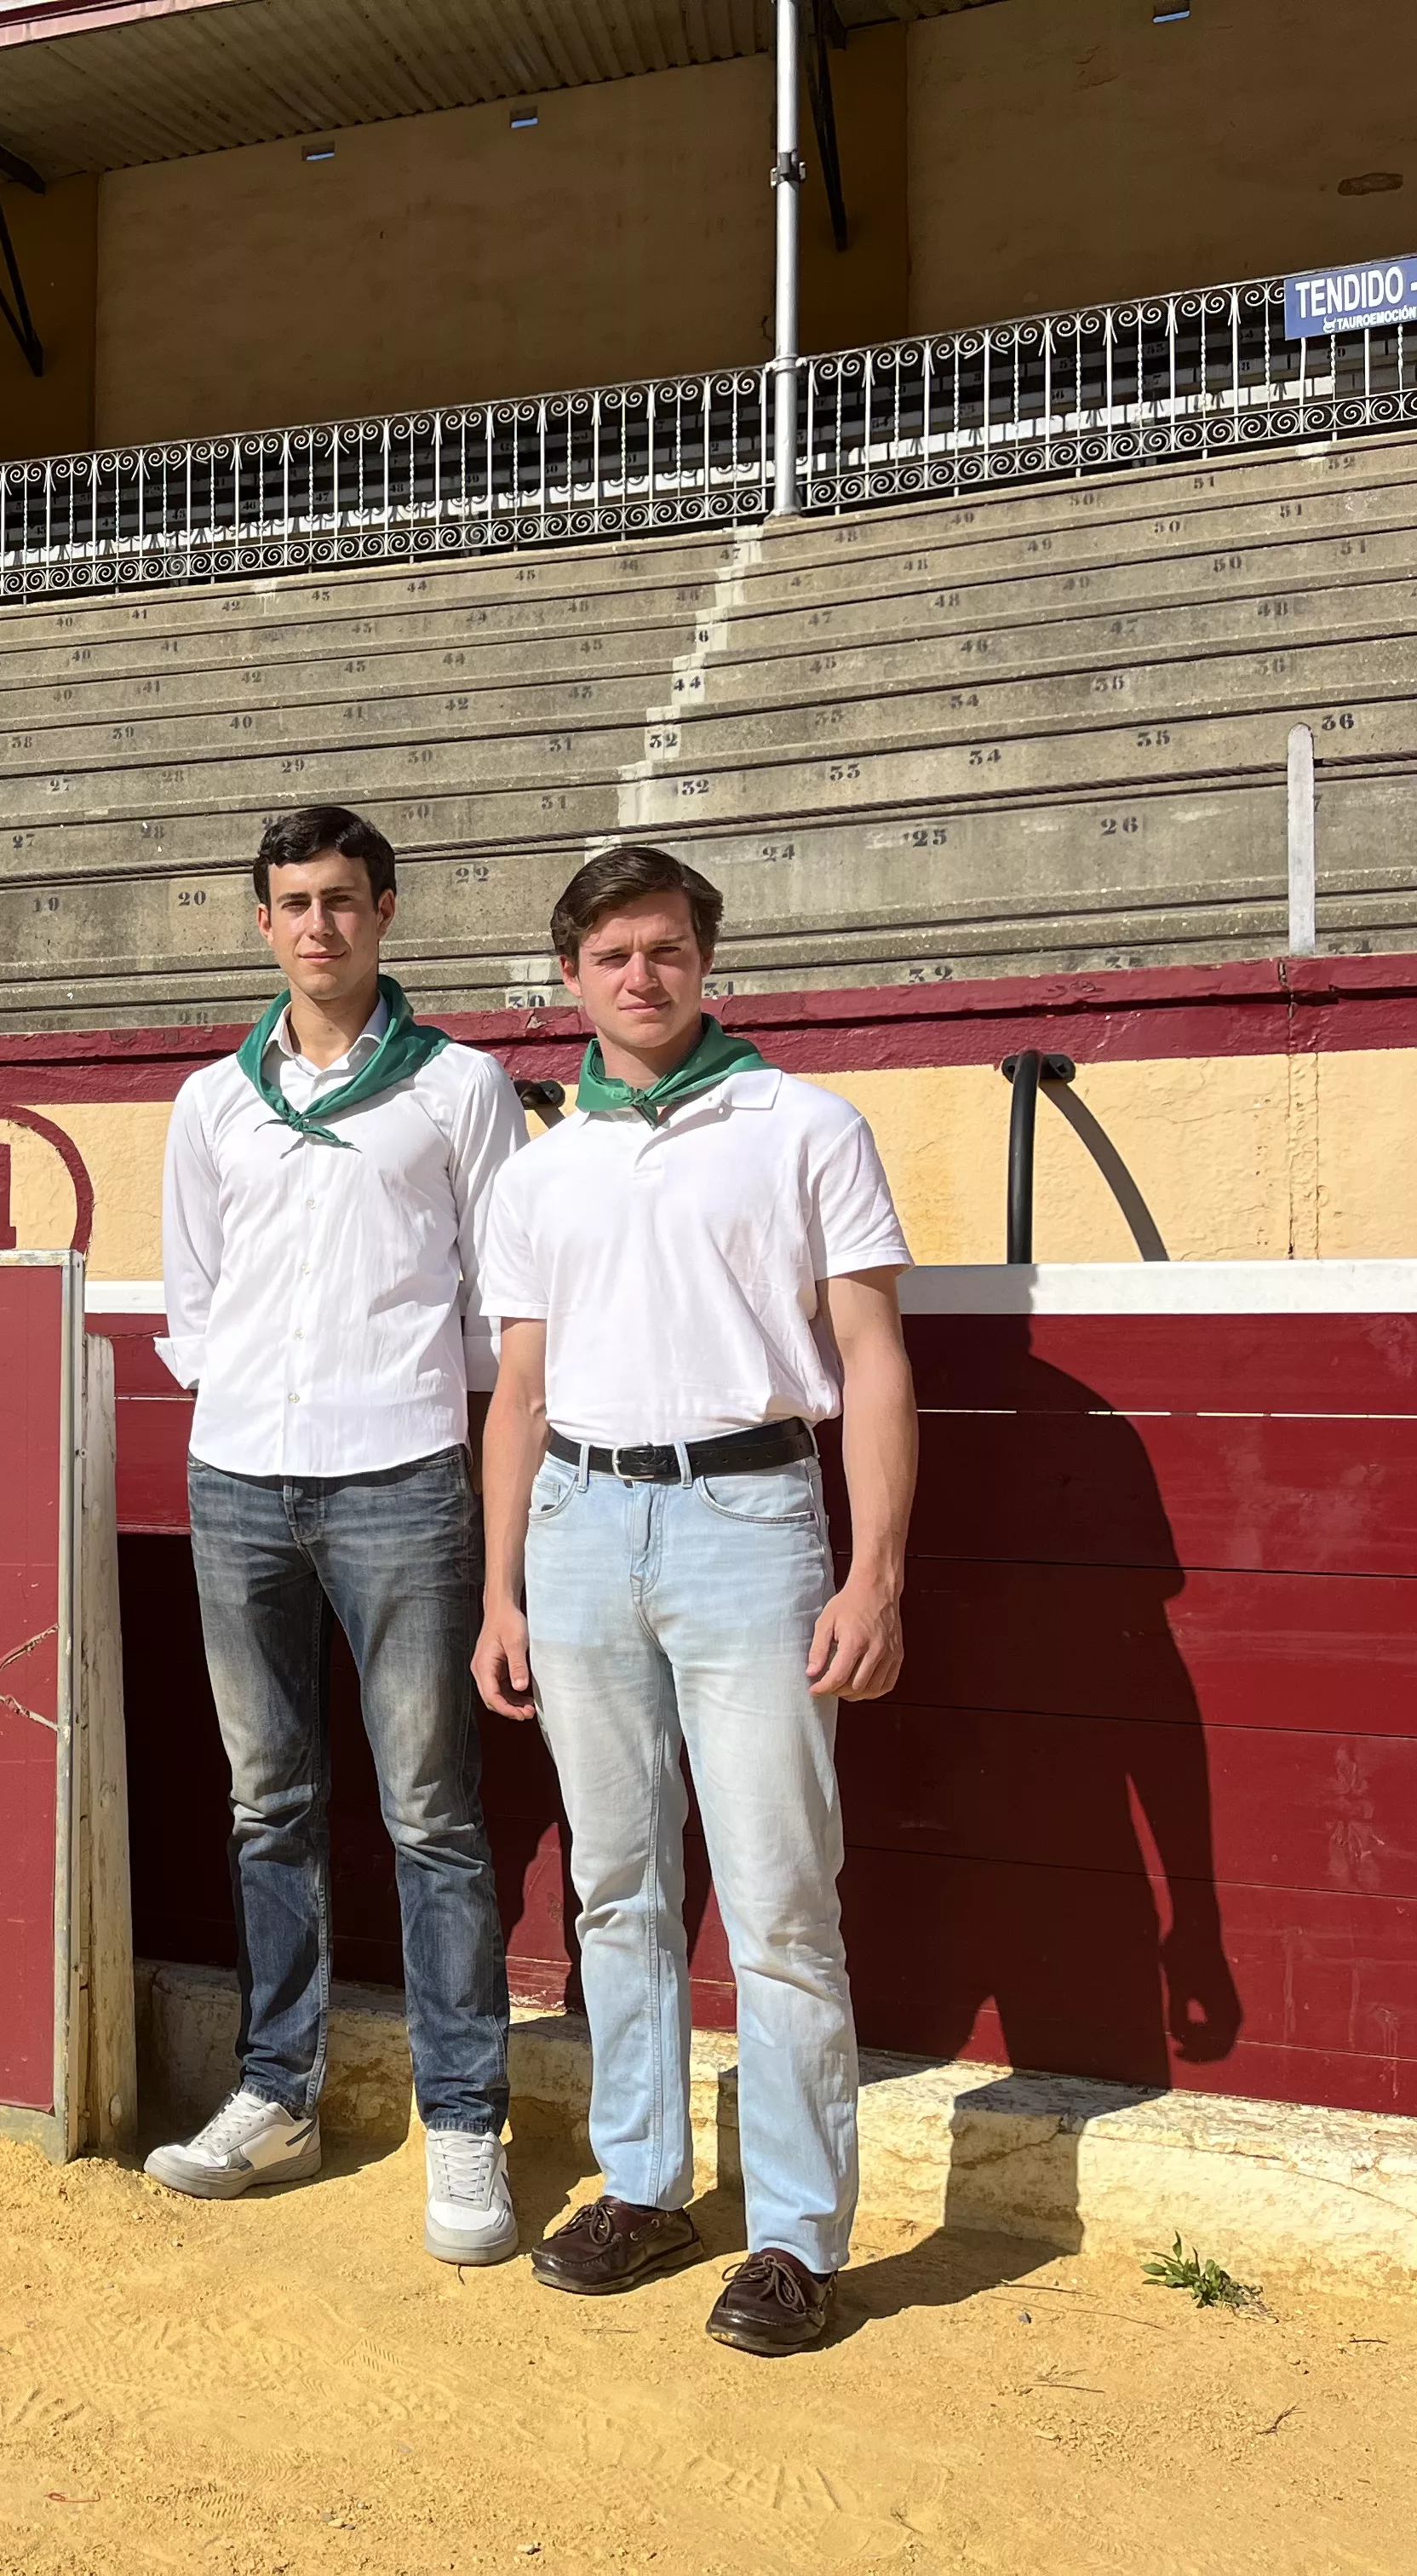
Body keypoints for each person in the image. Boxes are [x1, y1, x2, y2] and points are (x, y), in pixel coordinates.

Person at [470, 845, 917, 2358]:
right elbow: (520, 1390)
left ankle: (794, 2233)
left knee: (781, 1893)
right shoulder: (539, 1168)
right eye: (610, 955)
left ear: (704, 959)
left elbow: (873, 1359)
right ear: (570, 977)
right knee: (615, 1882)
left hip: (749, 1515)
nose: (639, 976)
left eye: (663, 948)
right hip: (578, 1522)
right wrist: (500, 1590)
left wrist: (874, 1570)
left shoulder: (803, 1124)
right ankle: (647, 2182)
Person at [146, 805, 527, 2263]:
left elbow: (498, 1300)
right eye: (295, 902)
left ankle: (466, 2118)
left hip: (402, 1474)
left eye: (344, 900)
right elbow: (195, 1293)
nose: (320, 924)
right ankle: (277, 2092)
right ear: (264, 923)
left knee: (432, 1811)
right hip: (239, 1477)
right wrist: (246, 1400)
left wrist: (427, 1431)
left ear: (385, 913)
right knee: (269, 1801)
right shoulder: (211, 1101)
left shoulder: (460, 1088)